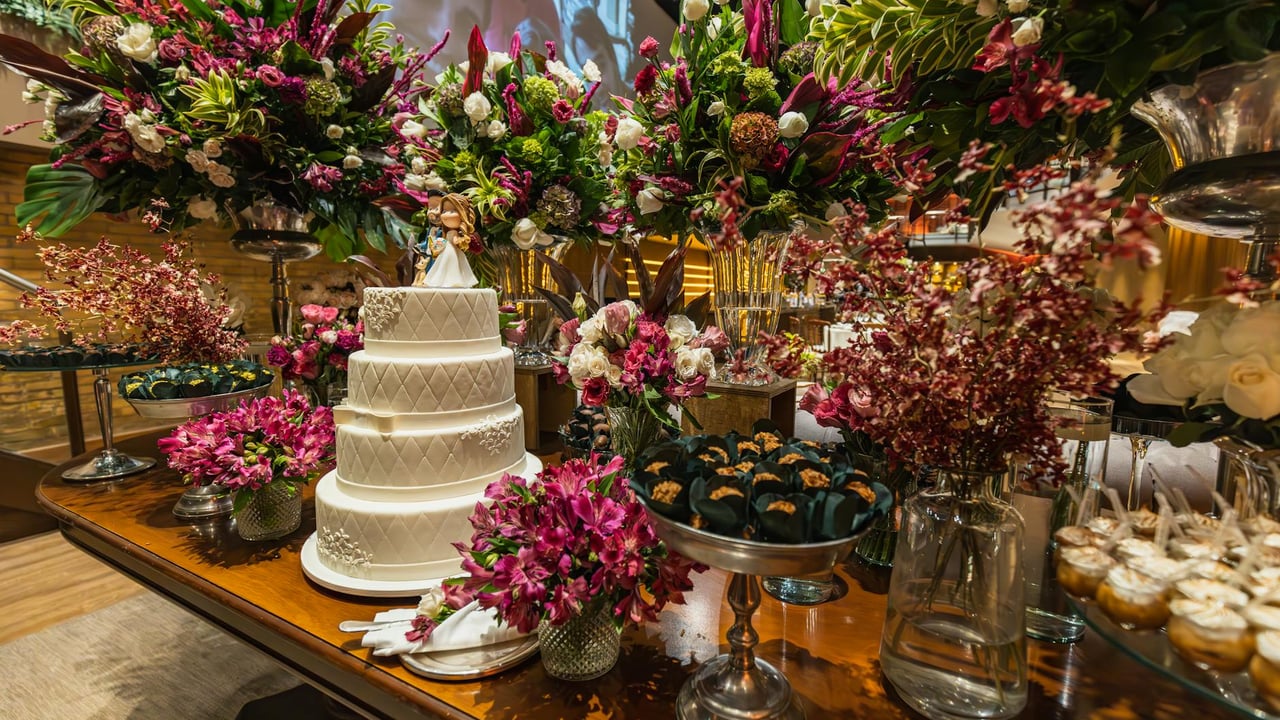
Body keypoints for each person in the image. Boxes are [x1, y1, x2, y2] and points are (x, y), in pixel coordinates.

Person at [421, 193, 479, 288]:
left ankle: (454, 281)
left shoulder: (455, 233)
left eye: (452, 211)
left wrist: (460, 241)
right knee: (442, 266)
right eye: (444, 211)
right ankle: (443, 281)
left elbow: (456, 240)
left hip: (452, 252)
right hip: (445, 251)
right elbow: (443, 242)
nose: (446, 215)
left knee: (453, 265)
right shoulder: (443, 232)